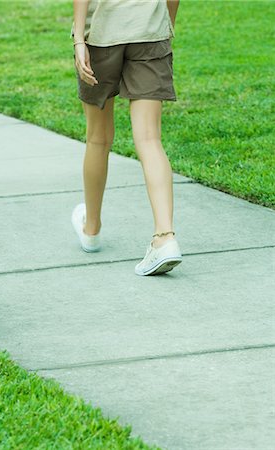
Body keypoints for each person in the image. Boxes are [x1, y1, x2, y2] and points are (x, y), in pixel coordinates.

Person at [71, 0, 182, 276]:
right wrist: (167, 22)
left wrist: (78, 40)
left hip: (101, 34)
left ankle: (91, 229)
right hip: (150, 31)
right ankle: (165, 237)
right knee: (149, 139)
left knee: (98, 138)